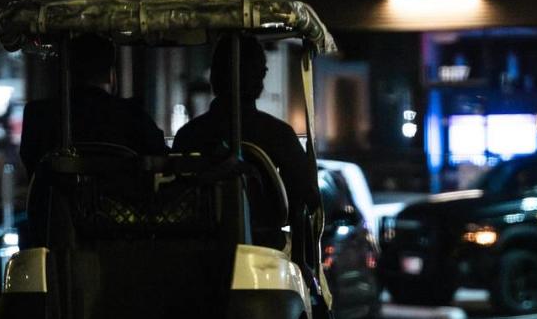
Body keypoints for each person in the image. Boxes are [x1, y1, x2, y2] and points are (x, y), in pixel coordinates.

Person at [173, 35, 318, 227]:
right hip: (264, 248)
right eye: (261, 70)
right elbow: (307, 200)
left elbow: (175, 198)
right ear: (259, 77)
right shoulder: (278, 135)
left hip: (198, 246)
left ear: (215, 76)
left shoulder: (188, 135)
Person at [19, 35, 167, 178]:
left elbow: (32, 166)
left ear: (67, 72)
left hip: (56, 202)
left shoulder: (38, 115)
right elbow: (161, 158)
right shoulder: (132, 115)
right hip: (121, 201)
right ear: (110, 75)